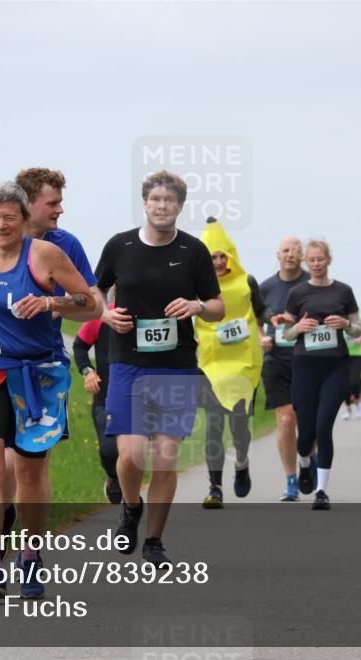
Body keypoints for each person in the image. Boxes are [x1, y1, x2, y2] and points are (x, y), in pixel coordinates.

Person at [0, 182, 99, 599]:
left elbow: (91, 303)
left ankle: (30, 555)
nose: (1, 225)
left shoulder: (45, 255)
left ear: (24, 218)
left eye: (9, 218)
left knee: (31, 469)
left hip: (39, 372)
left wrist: (50, 304)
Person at [94, 170, 225, 565]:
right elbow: (95, 290)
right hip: (128, 365)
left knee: (166, 458)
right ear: (145, 203)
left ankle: (154, 541)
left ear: (180, 206)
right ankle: (131, 506)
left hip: (175, 367)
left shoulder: (194, 250)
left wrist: (196, 306)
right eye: (156, 199)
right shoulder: (120, 245)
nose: (162, 206)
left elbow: (218, 307)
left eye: (170, 200)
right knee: (130, 456)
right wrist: (105, 314)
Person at [280, 240, 361, 510]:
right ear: (306, 262)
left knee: (324, 427)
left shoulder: (344, 291)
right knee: (305, 436)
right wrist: (299, 327)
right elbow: (286, 334)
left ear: (328, 260)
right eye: (312, 260)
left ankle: (321, 491)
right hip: (305, 367)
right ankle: (305, 463)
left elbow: (358, 329)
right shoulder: (297, 293)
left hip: (336, 366)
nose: (316, 264)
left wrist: (346, 324)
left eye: (320, 259)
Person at [196, 217, 270, 509]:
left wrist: (274, 322)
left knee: (239, 427)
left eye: (221, 256)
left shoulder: (247, 281)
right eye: (212, 257)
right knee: (214, 426)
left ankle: (241, 461)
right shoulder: (196, 286)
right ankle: (215, 487)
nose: (217, 262)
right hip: (211, 365)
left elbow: (262, 312)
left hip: (243, 364)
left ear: (230, 256)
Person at [259, 238, 309, 501]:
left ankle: (308, 461)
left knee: (307, 423)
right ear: (277, 254)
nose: (291, 254)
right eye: (286, 250)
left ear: (302, 255)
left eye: (296, 250)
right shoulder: (266, 287)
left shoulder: (312, 283)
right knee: (286, 419)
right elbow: (255, 319)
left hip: (307, 361)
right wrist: (261, 339)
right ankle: (291, 481)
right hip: (276, 360)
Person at [72, 294, 121, 504]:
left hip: (141, 398)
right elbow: (79, 346)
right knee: (109, 451)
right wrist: (88, 371)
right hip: (105, 397)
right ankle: (114, 477)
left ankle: (131, 501)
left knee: (133, 454)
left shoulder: (150, 314)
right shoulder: (103, 315)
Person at [341, 314, 361, 421]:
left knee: (355, 381)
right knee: (344, 383)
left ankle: (357, 404)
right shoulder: (339, 317)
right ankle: (348, 410)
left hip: (357, 354)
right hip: (343, 354)